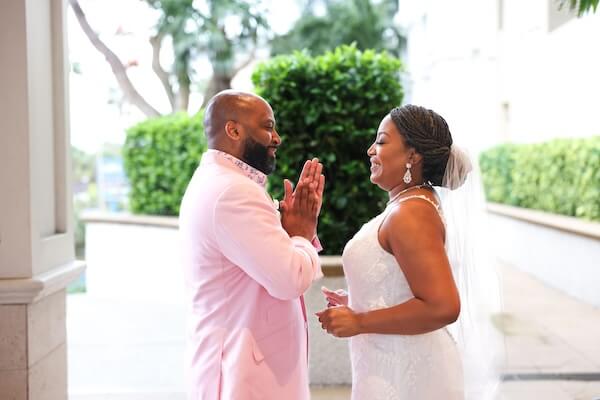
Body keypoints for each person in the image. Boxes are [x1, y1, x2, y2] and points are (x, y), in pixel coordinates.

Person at [318, 104, 501, 399]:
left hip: (407, 373)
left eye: (381, 140)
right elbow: (404, 284)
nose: (370, 150)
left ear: (412, 156)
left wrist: (360, 321)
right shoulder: (410, 204)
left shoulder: (411, 213)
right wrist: (361, 302)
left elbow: (443, 306)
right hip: (389, 362)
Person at [179, 90, 325, 400]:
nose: (277, 138)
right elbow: (289, 279)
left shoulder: (218, 181)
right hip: (243, 374)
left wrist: (292, 235)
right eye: (268, 127)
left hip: (241, 363)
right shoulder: (233, 191)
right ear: (233, 130)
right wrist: (301, 233)